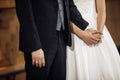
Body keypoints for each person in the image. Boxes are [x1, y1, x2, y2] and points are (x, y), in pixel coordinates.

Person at [15, 0, 101, 80]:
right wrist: (34, 47)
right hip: (40, 42)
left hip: (61, 38)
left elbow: (69, 5)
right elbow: (24, 14)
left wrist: (85, 27)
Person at [66, 0, 120, 80]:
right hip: (75, 32)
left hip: (96, 28)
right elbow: (65, 15)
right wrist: (81, 34)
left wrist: (99, 33)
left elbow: (101, 10)